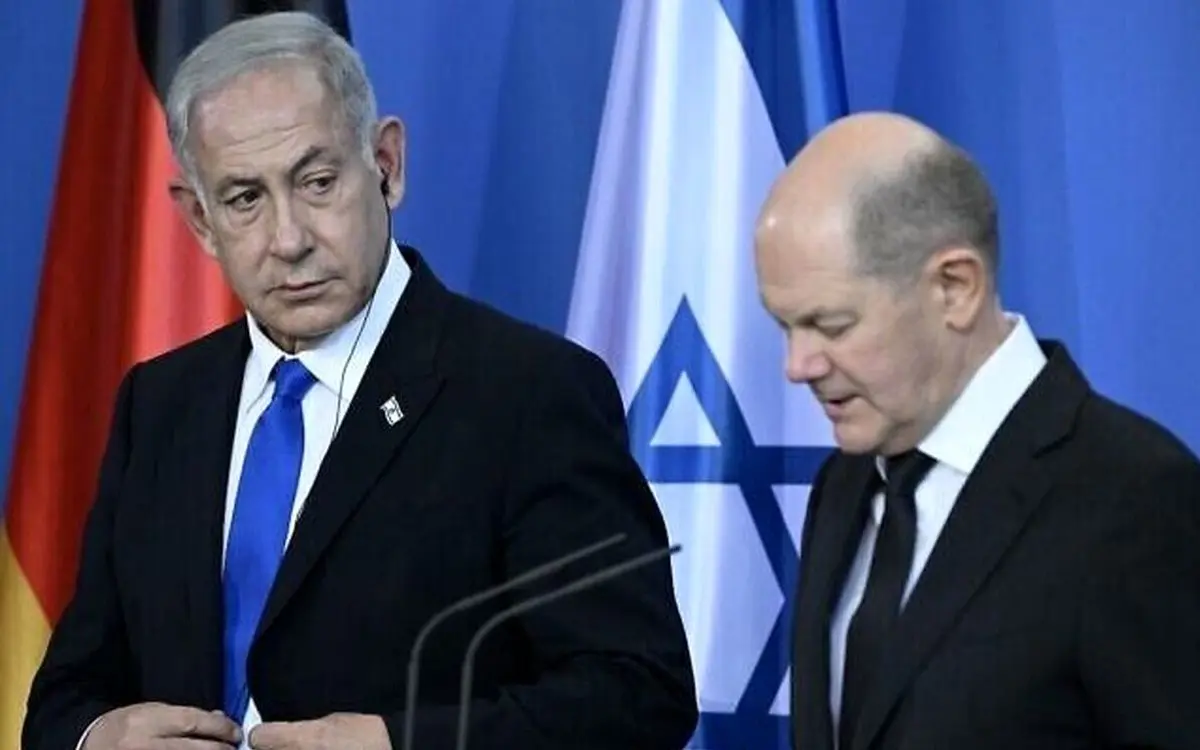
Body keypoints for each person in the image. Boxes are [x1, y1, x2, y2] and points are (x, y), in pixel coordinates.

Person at [22, 11, 698, 750]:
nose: (289, 239)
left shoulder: (530, 394)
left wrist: (396, 744)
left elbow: (637, 695)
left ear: (386, 164)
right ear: (200, 222)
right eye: (245, 199)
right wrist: (98, 737)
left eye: (317, 182)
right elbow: (65, 696)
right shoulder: (160, 405)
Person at [755, 111, 1200, 750]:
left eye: (831, 326)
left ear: (955, 287)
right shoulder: (844, 484)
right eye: (785, 326)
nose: (797, 366)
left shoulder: (1134, 499)